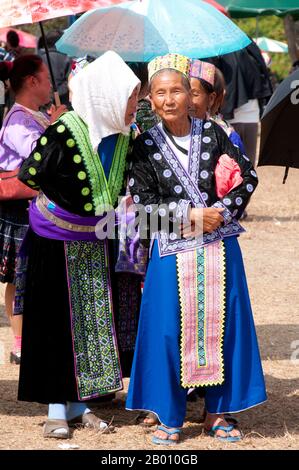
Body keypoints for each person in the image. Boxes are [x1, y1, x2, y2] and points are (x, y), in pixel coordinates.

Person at [126, 53, 267, 445]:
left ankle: (217, 415)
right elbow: (141, 207)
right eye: (160, 93)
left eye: (176, 91)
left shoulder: (215, 134)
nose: (169, 99)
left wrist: (217, 213)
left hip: (219, 248)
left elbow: (247, 178)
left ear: (191, 95)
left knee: (223, 329)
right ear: (150, 100)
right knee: (168, 331)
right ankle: (169, 416)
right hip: (170, 254)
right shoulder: (143, 148)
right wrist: (191, 215)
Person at [17, 51, 140, 439]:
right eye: (131, 98)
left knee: (90, 321)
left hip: (95, 239)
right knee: (55, 321)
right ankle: (56, 407)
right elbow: (30, 173)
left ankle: (79, 403)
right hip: (54, 238)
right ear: (107, 96)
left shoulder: (123, 136)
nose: (136, 106)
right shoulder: (64, 129)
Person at [0, 55, 65, 364]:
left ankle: (30, 338)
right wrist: (54, 127)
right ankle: (21, 343)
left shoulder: (34, 115)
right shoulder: (17, 120)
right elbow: (38, 158)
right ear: (32, 82)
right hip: (20, 209)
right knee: (19, 275)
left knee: (32, 275)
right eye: (47, 78)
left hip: (35, 207)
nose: (52, 84)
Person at [38, 30, 72, 107]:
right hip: (63, 102)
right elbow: (69, 80)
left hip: (43, 102)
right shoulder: (66, 58)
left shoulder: (39, 59)